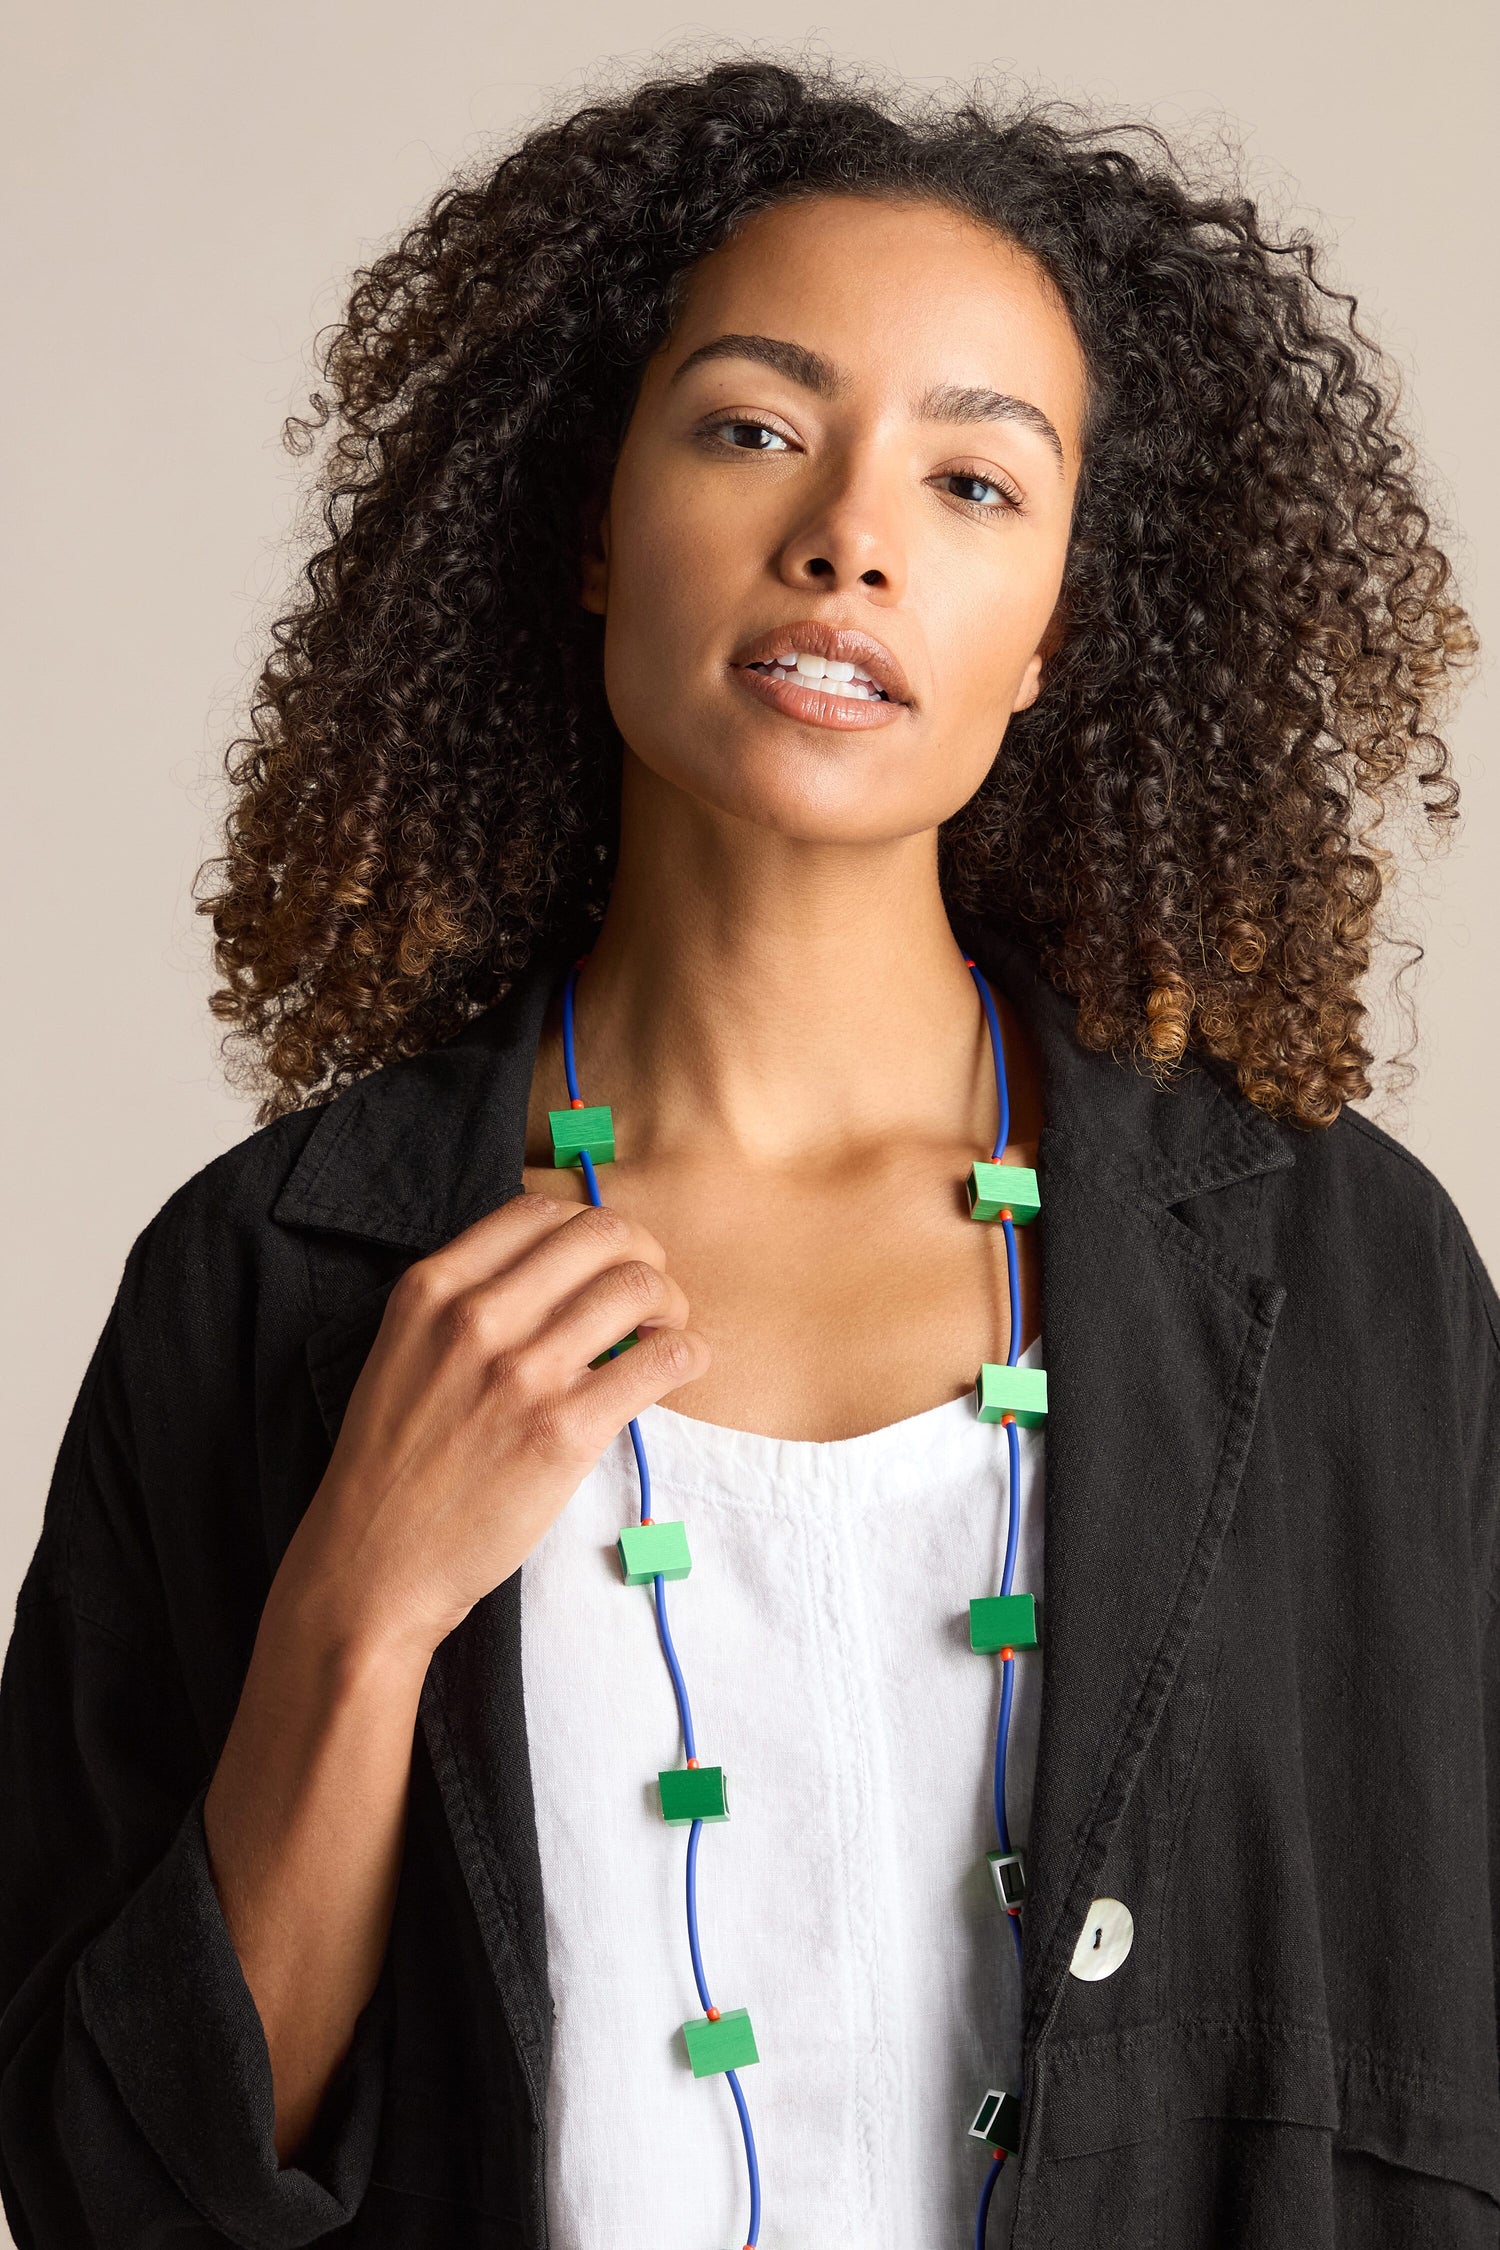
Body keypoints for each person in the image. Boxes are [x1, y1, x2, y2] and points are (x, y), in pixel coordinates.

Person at [0, 52, 1494, 2250]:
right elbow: (114, 2186)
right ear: (594, 530)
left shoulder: (1337, 1271)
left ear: (1056, 633)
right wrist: (362, 1606)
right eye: (753, 427)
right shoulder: (272, 1276)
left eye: (976, 484)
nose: (849, 533)